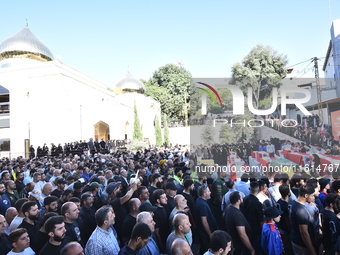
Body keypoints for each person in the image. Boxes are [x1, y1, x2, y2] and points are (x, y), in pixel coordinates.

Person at [290, 184, 316, 255]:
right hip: (302, 245)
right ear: (306, 195)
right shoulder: (301, 211)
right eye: (312, 196)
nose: (313, 198)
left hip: (295, 239)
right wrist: (312, 250)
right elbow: (304, 232)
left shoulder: (293, 203)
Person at [242, 181, 264, 255]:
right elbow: (260, 220)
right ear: (258, 190)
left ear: (249, 188)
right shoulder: (258, 204)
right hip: (256, 231)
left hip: (245, 228)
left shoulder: (244, 200)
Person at [196, 186, 218, 254]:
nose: (210, 193)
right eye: (208, 191)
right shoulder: (202, 205)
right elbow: (204, 221)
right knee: (205, 249)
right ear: (204, 194)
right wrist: (210, 234)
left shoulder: (200, 201)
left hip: (203, 233)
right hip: (204, 234)